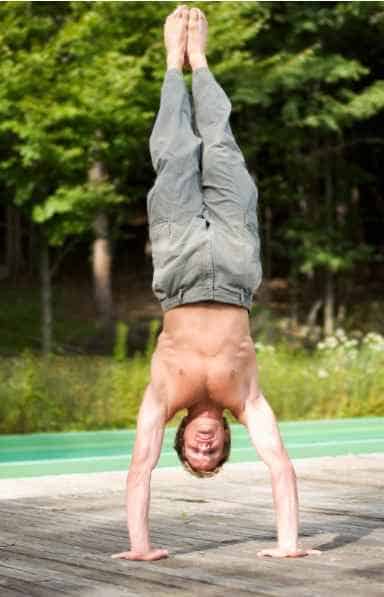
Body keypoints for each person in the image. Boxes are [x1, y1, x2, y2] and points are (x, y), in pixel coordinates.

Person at [112, 6, 320, 562]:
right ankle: (200, 62)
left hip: (178, 270)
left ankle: (172, 66)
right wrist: (288, 546)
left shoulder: (162, 397)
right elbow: (279, 464)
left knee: (175, 155)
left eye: (195, 455)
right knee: (223, 151)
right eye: (215, 455)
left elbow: (139, 466)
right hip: (234, 270)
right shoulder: (247, 400)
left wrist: (140, 546)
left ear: (180, 436)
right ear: (227, 438)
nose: (205, 449)